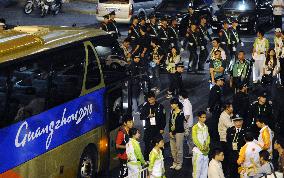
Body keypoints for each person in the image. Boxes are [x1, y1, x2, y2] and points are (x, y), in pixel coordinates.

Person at [140, 91, 166, 161]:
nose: (150, 101)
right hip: (148, 129)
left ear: (154, 98)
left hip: (157, 129)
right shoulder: (145, 107)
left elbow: (163, 118)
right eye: (149, 100)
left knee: (159, 144)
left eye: (151, 99)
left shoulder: (160, 106)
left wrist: (162, 128)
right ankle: (147, 160)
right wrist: (147, 116)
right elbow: (141, 117)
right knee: (147, 146)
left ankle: (160, 159)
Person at [192, 111, 210, 178]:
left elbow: (208, 137)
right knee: (197, 170)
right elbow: (194, 139)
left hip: (206, 151)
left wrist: (207, 145)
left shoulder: (206, 127)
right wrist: (201, 147)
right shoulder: (195, 127)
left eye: (205, 117)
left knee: (205, 170)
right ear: (199, 118)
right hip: (198, 152)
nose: (204, 119)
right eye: (202, 117)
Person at [169, 98, 185, 171]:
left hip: (179, 133)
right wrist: (170, 131)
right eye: (171, 104)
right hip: (172, 132)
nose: (171, 105)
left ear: (177, 104)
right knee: (173, 149)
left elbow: (179, 125)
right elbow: (170, 121)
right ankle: (174, 162)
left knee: (179, 149)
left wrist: (173, 132)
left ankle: (179, 163)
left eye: (172, 104)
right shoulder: (172, 111)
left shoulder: (181, 113)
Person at [208, 76, 225, 142]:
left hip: (216, 108)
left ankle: (214, 136)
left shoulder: (217, 88)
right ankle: (214, 137)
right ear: (218, 81)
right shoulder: (216, 89)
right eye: (222, 81)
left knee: (216, 122)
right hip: (216, 109)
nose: (223, 82)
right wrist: (210, 107)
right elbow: (213, 99)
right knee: (215, 123)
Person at [179, 90, 194, 158]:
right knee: (189, 138)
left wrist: (183, 122)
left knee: (189, 139)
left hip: (188, 124)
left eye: (180, 96)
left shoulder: (186, 103)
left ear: (182, 96)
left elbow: (187, 115)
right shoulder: (186, 102)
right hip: (188, 124)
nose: (179, 97)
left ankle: (192, 153)